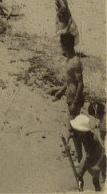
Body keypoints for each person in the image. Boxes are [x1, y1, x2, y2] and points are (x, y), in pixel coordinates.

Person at [52, 32, 85, 164]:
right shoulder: (69, 59)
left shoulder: (75, 61)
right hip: (70, 98)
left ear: (65, 46)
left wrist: (75, 103)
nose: (60, 46)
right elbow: (70, 81)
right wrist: (61, 91)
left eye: (61, 44)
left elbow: (81, 84)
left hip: (75, 100)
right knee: (72, 126)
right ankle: (71, 150)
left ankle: (80, 156)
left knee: (74, 129)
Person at [70, 113, 105, 192]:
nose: (76, 131)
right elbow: (70, 134)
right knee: (79, 173)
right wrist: (67, 144)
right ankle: (80, 190)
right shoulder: (79, 134)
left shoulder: (94, 138)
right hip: (88, 156)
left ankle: (98, 191)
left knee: (95, 180)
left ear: (83, 131)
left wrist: (98, 165)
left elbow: (103, 151)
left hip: (97, 157)